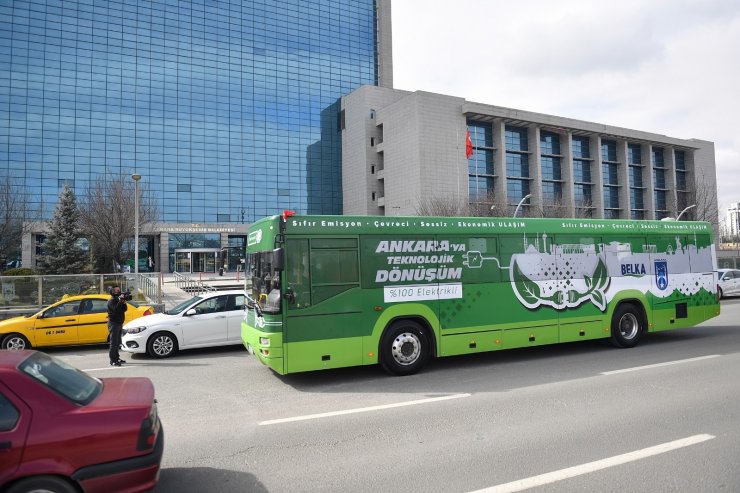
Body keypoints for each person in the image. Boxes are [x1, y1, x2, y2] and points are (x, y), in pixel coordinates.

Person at [107, 285, 128, 366]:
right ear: (112, 292)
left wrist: (123, 302)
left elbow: (124, 309)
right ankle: (113, 360)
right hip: (113, 324)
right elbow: (115, 309)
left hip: (119, 323)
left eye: (119, 290)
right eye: (117, 290)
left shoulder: (117, 300)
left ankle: (117, 358)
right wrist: (120, 302)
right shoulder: (111, 301)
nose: (119, 291)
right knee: (113, 343)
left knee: (118, 342)